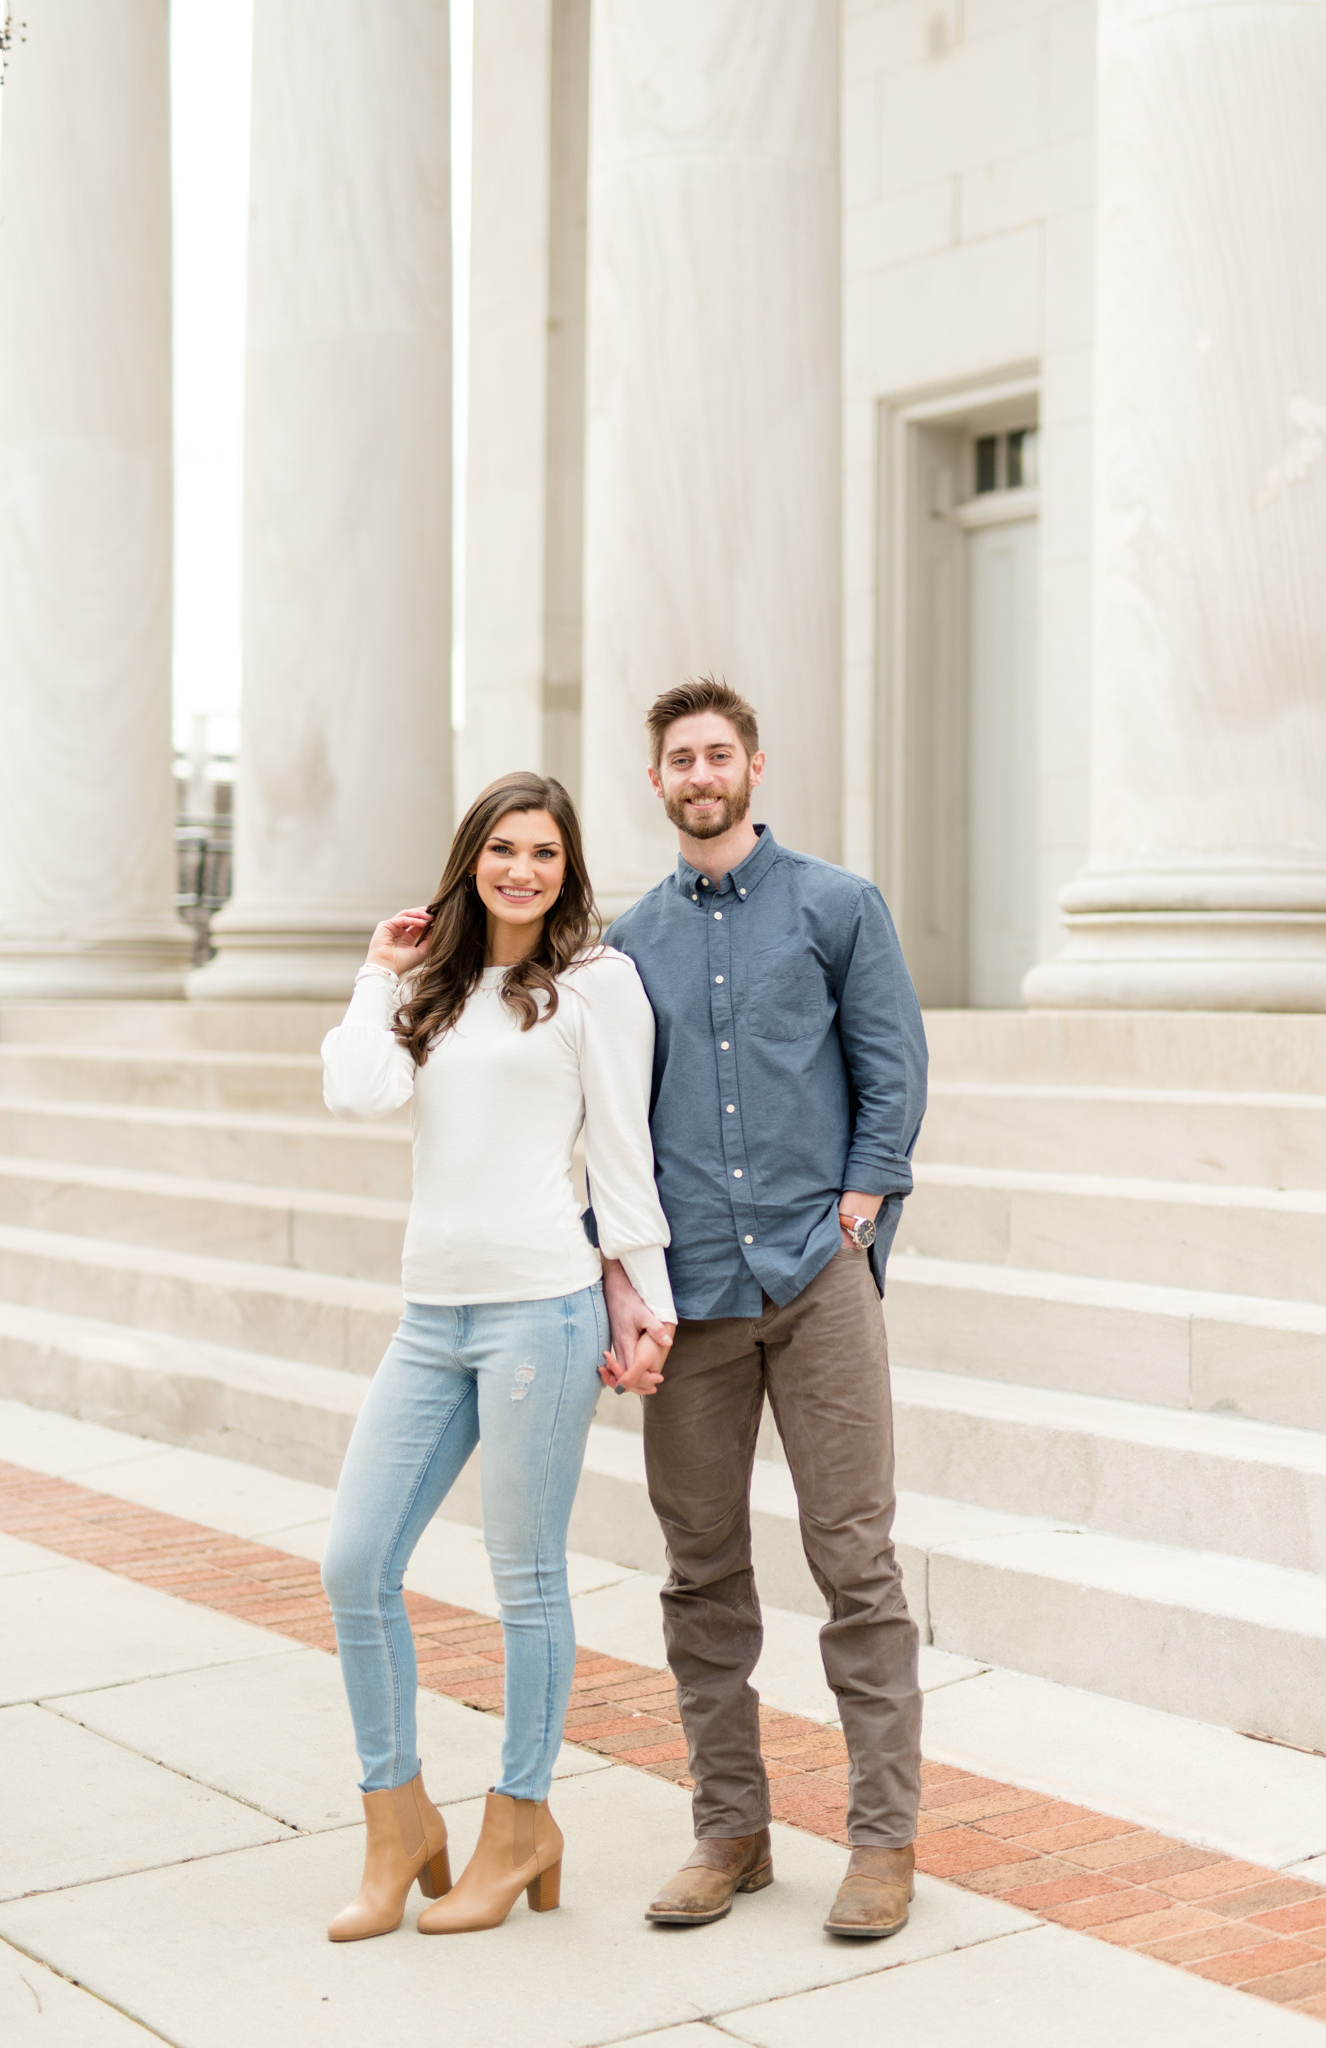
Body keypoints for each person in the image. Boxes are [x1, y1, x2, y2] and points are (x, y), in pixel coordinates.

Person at [319, 771, 675, 1941]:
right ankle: (396, 1820)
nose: (522, 868)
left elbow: (623, 1154)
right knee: (354, 1562)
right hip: (431, 1316)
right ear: (471, 856)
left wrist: (645, 1298)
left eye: (545, 852)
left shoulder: (593, 983)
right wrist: (378, 972)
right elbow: (356, 1091)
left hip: (540, 1311)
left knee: (526, 1579)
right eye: (502, 847)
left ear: (568, 869)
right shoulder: (428, 984)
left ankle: (520, 1821)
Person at [601, 676, 928, 1940]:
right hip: (692, 1305)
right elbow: (615, 1126)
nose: (699, 771)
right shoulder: (629, 943)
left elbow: (887, 1073)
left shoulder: (838, 905)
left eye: (716, 752)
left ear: (752, 765)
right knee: (700, 1573)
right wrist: (623, 1275)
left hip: (815, 1280)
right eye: (678, 757)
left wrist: (855, 1217)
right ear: (657, 781)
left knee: (855, 1562)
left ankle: (882, 1841)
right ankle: (728, 1829)